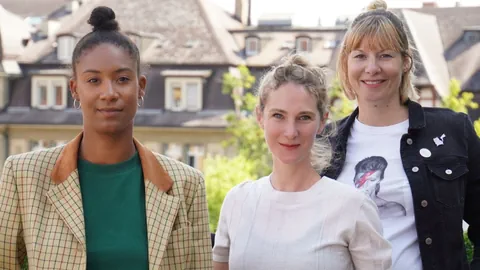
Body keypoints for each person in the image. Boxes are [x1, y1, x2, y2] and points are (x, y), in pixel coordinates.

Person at [0, 6, 212, 269]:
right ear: (74, 89)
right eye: (93, 81)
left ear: (140, 87)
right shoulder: (24, 176)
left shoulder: (186, 184)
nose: (109, 92)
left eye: (122, 79)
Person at [322, 0, 480, 269]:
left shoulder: (453, 130)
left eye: (385, 55)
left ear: (405, 62)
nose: (372, 68)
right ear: (346, 64)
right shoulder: (323, 144)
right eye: (360, 56)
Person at [212, 54, 392, 270]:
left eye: (304, 117)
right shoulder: (237, 202)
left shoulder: (353, 207)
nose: (290, 132)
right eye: (278, 115)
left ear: (322, 121)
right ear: (260, 117)